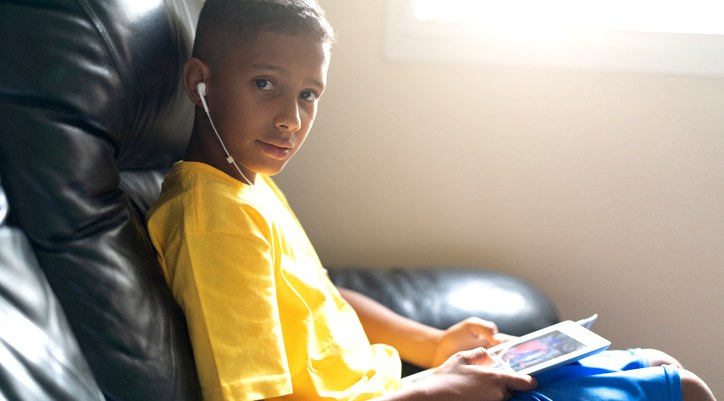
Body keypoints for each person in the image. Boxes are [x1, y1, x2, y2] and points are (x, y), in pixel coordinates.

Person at [146, 1, 717, 400]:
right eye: (265, 83)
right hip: (404, 396)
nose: (291, 120)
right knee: (683, 389)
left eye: (309, 94)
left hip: (401, 387)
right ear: (201, 81)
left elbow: (321, 297)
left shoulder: (247, 183)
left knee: (659, 368)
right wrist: (431, 387)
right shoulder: (214, 217)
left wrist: (435, 343)